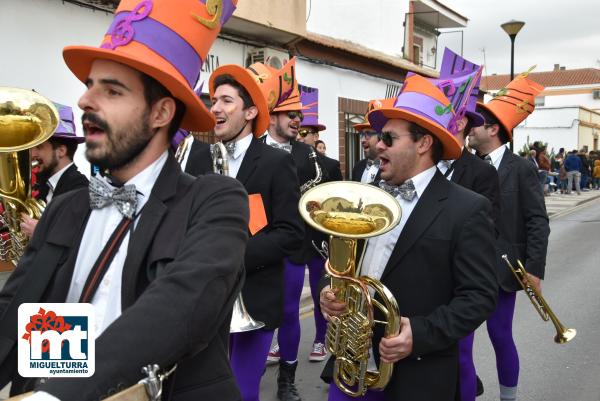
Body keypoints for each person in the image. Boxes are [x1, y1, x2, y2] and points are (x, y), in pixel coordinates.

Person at [0, 1, 250, 400]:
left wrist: (58, 394)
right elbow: (15, 309)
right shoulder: (67, 207)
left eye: (112, 90)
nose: (85, 101)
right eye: (89, 86)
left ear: (161, 113)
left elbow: (181, 306)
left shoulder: (215, 199)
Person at [320, 74, 498, 401]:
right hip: (350, 367)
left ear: (423, 143)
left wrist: (419, 333)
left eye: (388, 137)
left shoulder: (467, 208)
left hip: (417, 376)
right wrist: (329, 293)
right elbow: (340, 268)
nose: (379, 144)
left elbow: (480, 296)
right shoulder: (366, 198)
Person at [184, 60, 305, 401]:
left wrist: (233, 255)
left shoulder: (276, 162)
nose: (215, 108)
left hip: (255, 298)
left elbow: (289, 233)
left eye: (225, 101)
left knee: (241, 392)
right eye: (214, 101)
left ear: (250, 112)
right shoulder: (198, 158)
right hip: (204, 300)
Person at [468, 72, 550, 401]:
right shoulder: (465, 167)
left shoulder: (521, 168)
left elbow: (537, 221)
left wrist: (534, 268)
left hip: (504, 269)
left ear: (493, 129)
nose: (469, 128)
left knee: (500, 335)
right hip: (467, 267)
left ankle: (508, 398)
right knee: (459, 340)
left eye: (477, 123)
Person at [425, 50, 501, 401]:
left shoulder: (481, 172)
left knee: (461, 358)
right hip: (417, 284)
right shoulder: (417, 165)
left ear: (459, 125)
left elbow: (487, 230)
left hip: (457, 284)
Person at [258, 58, 326, 401]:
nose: (298, 119)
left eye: (299, 114)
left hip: (292, 246)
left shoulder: (306, 154)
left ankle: (288, 378)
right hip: (256, 245)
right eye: (290, 113)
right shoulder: (253, 148)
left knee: (288, 312)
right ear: (271, 116)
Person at [20, 104, 88, 237]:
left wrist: (40, 232)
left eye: (39, 147)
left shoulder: (81, 189)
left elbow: (79, 239)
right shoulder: (42, 184)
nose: (32, 154)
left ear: (61, 151)